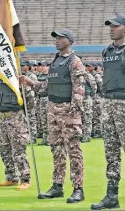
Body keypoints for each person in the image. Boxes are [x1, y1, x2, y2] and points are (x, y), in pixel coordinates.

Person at [20, 29, 86, 203]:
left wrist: (74, 112)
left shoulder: (75, 62)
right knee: (56, 149)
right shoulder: (56, 61)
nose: (56, 40)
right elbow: (47, 87)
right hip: (53, 110)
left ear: (69, 41)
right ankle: (57, 185)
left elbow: (79, 89)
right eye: (56, 38)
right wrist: (30, 82)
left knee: (73, 150)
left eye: (60, 38)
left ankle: (78, 188)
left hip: (68, 111)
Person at [91, 13, 125, 210]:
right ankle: (111, 196)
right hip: (108, 106)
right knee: (111, 153)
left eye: (115, 26)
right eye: (110, 26)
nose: (111, 29)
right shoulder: (106, 52)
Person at [0, 79, 31, 190]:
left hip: (16, 118)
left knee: (18, 150)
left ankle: (25, 179)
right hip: (3, 118)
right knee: (4, 150)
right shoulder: (0, 80)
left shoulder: (20, 81)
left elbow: (30, 102)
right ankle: (11, 177)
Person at [21, 60, 38, 144]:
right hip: (24, 99)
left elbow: (35, 87)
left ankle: (33, 136)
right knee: (25, 118)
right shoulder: (22, 76)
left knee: (31, 118)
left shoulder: (32, 76)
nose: (21, 67)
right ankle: (27, 136)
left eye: (23, 65)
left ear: (27, 66)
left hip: (30, 98)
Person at [81, 61, 97, 143]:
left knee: (87, 117)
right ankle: (80, 135)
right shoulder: (75, 75)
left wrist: (91, 96)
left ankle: (86, 136)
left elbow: (94, 87)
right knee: (80, 118)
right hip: (78, 99)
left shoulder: (87, 75)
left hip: (86, 98)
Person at [37, 60, 50, 146]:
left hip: (47, 98)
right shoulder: (40, 76)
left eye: (43, 65)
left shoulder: (50, 76)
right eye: (41, 65)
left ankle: (50, 138)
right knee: (43, 119)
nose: (42, 67)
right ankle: (45, 138)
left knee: (48, 118)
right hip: (41, 98)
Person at [92, 61, 103, 138]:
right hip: (95, 97)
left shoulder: (97, 76)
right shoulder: (94, 75)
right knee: (95, 116)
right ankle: (95, 132)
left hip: (98, 97)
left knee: (98, 116)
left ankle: (98, 132)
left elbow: (101, 87)